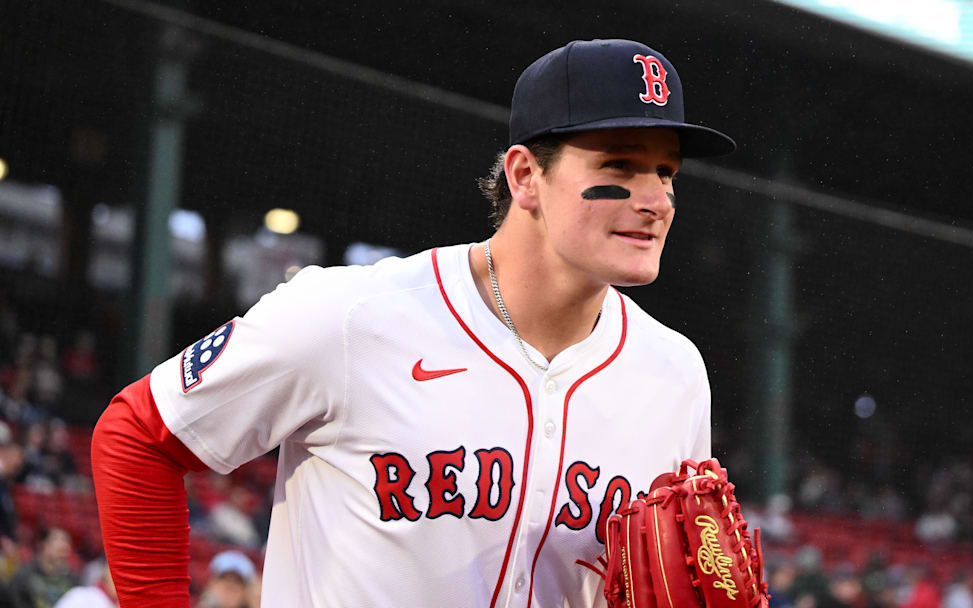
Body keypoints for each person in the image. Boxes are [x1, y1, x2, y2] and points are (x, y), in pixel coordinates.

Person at [92, 38, 736, 606]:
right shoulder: (352, 316)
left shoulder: (674, 373)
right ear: (524, 176)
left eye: (666, 171)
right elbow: (138, 435)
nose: (656, 200)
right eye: (619, 165)